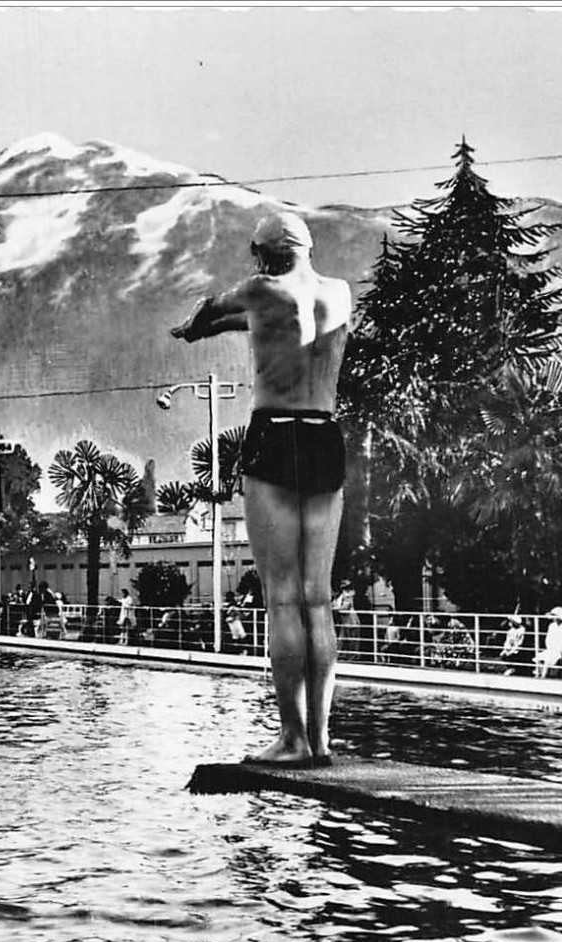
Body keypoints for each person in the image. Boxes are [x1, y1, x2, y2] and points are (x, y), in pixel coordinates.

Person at [171, 210, 351, 768]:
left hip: (274, 434)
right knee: (316, 599)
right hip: (324, 437)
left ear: (263, 254)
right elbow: (268, 321)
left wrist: (194, 328)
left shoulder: (255, 290)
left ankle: (293, 739)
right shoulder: (340, 294)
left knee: (281, 597)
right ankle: (320, 739)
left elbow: (210, 312)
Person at [533, 606, 562, 679]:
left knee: (548, 659)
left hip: (559, 650)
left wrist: (559, 649)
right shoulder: (552, 626)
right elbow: (548, 638)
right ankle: (541, 675)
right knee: (539, 658)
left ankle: (543, 677)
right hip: (551, 649)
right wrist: (550, 647)